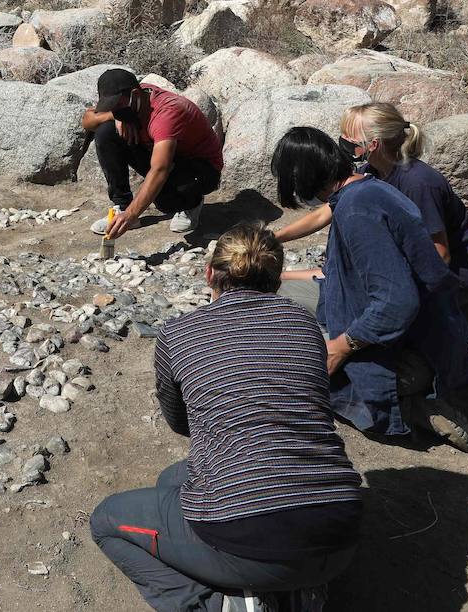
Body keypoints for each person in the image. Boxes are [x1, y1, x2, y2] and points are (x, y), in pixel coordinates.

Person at [92, 224, 363, 612]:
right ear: (276, 280)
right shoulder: (303, 324)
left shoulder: (177, 333)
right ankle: (293, 590)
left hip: (248, 536)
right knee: (172, 480)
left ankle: (216, 605)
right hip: (340, 533)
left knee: (105, 522)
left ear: (209, 274)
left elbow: (180, 422)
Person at [269, 127, 468, 454]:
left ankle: (412, 408)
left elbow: (398, 302)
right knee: (275, 295)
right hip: (427, 339)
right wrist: (282, 275)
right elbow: (338, 275)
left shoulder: (357, 211)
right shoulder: (366, 191)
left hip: (414, 359)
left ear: (301, 178)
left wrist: (341, 346)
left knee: (289, 368)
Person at [274, 103, 468, 341]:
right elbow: (325, 212)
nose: (342, 146)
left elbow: (440, 255)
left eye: (349, 141)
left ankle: (466, 304)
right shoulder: (369, 172)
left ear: (373, 145)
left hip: (460, 272)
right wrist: (276, 237)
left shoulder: (418, 183)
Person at [83, 68, 223, 238]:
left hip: (199, 167)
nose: (114, 108)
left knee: (166, 201)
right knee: (105, 132)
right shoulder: (130, 98)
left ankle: (191, 204)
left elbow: (159, 170)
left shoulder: (167, 113)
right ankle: (122, 205)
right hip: (166, 155)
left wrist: (131, 216)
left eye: (117, 105)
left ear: (135, 94)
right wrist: (117, 116)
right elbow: (88, 121)